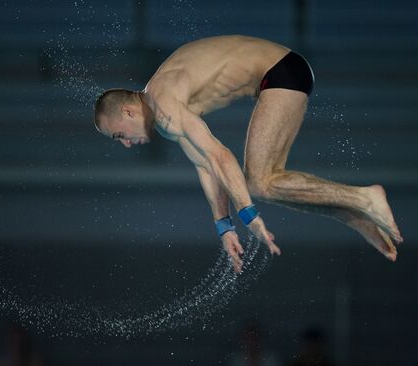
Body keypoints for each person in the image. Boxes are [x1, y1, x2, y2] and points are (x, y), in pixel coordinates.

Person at [93, 35, 402, 272]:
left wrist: (248, 214)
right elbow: (207, 165)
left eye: (119, 134)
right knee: (267, 184)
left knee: (260, 183)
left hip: (280, 71)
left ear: (128, 112)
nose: (126, 143)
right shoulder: (161, 107)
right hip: (278, 73)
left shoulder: (164, 108)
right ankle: (356, 216)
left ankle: (366, 198)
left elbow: (221, 156)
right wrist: (224, 226)